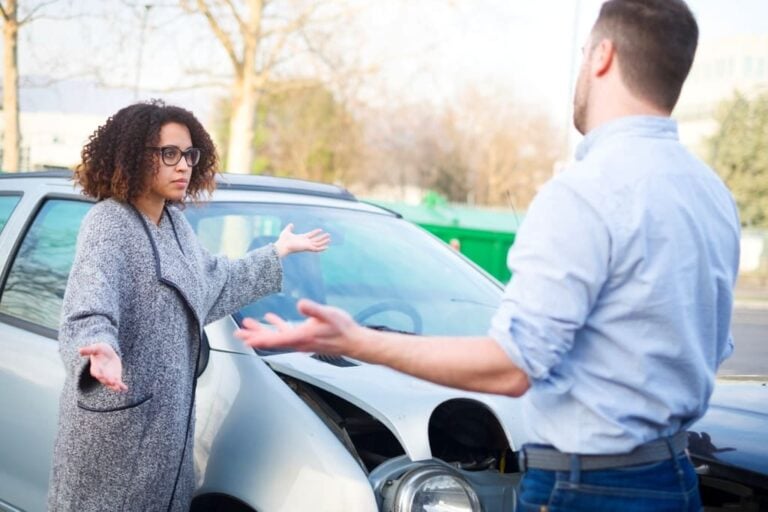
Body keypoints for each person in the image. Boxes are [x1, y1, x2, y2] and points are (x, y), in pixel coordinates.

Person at [235, 0, 741, 510]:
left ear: (604, 56)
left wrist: (358, 340)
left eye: (584, 52)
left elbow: (512, 368)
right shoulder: (711, 194)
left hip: (585, 488)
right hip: (676, 479)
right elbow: (710, 348)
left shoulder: (587, 190)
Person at [48, 99, 330, 512]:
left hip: (167, 436)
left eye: (189, 154)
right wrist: (99, 345)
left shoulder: (177, 225)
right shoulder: (109, 222)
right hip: (118, 432)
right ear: (133, 157)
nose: (184, 166)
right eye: (169, 154)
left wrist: (276, 252)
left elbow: (214, 284)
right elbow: (91, 299)